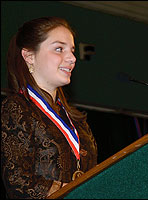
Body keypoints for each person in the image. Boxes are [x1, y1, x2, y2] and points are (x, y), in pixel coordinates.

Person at [1, 16, 98, 199]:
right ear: (29, 56)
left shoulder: (77, 121)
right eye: (59, 49)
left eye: (72, 51)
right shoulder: (16, 109)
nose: (71, 58)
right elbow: (17, 180)